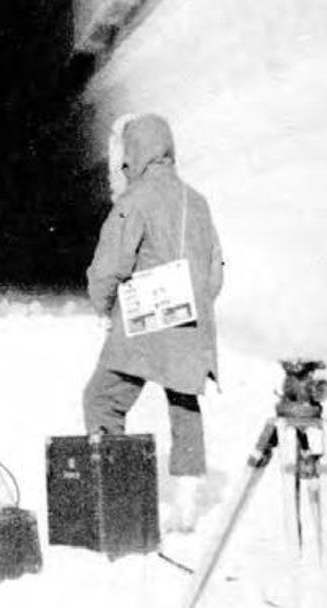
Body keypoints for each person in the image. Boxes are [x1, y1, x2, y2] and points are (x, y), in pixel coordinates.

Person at [82, 113, 224, 533]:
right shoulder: (197, 201)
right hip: (189, 322)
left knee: (103, 399)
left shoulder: (134, 200)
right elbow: (215, 273)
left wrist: (106, 307)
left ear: (134, 152)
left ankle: (119, 496)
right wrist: (193, 304)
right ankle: (187, 499)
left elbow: (108, 267)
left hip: (142, 323)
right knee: (183, 401)